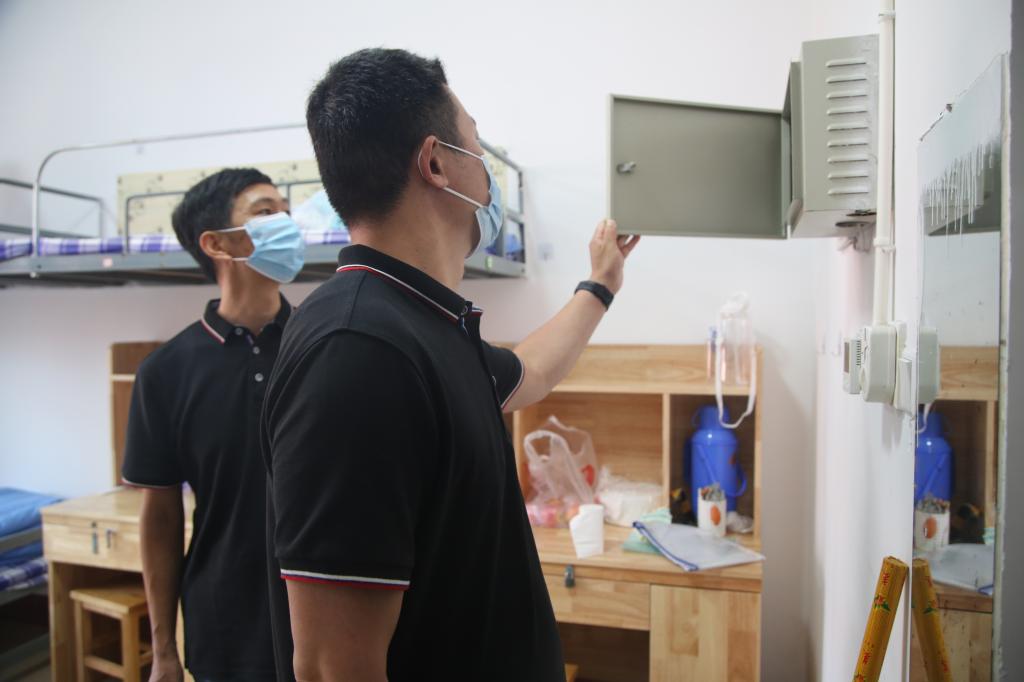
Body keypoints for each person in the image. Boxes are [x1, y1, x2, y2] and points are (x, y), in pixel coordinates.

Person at [261, 48, 639, 682]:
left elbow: (529, 371)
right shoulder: (355, 350)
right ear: (436, 163)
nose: (487, 172)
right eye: (476, 147)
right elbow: (331, 666)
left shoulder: (424, 322)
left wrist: (599, 285)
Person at [122, 167, 305, 682]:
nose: (286, 224)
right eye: (266, 212)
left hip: (325, 616)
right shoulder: (165, 372)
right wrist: (163, 650)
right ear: (217, 243)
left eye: (287, 212)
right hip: (224, 625)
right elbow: (160, 518)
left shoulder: (321, 345)